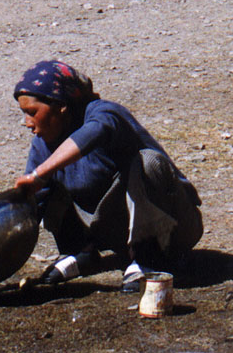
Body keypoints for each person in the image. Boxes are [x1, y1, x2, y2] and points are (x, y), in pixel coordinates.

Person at [13, 60, 203, 292]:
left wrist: (40, 173)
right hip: (115, 231)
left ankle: (150, 257)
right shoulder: (42, 146)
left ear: (60, 105)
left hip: (174, 225)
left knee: (148, 162)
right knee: (37, 190)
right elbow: (30, 209)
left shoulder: (104, 113)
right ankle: (80, 252)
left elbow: (95, 132)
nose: (27, 123)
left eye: (32, 112)